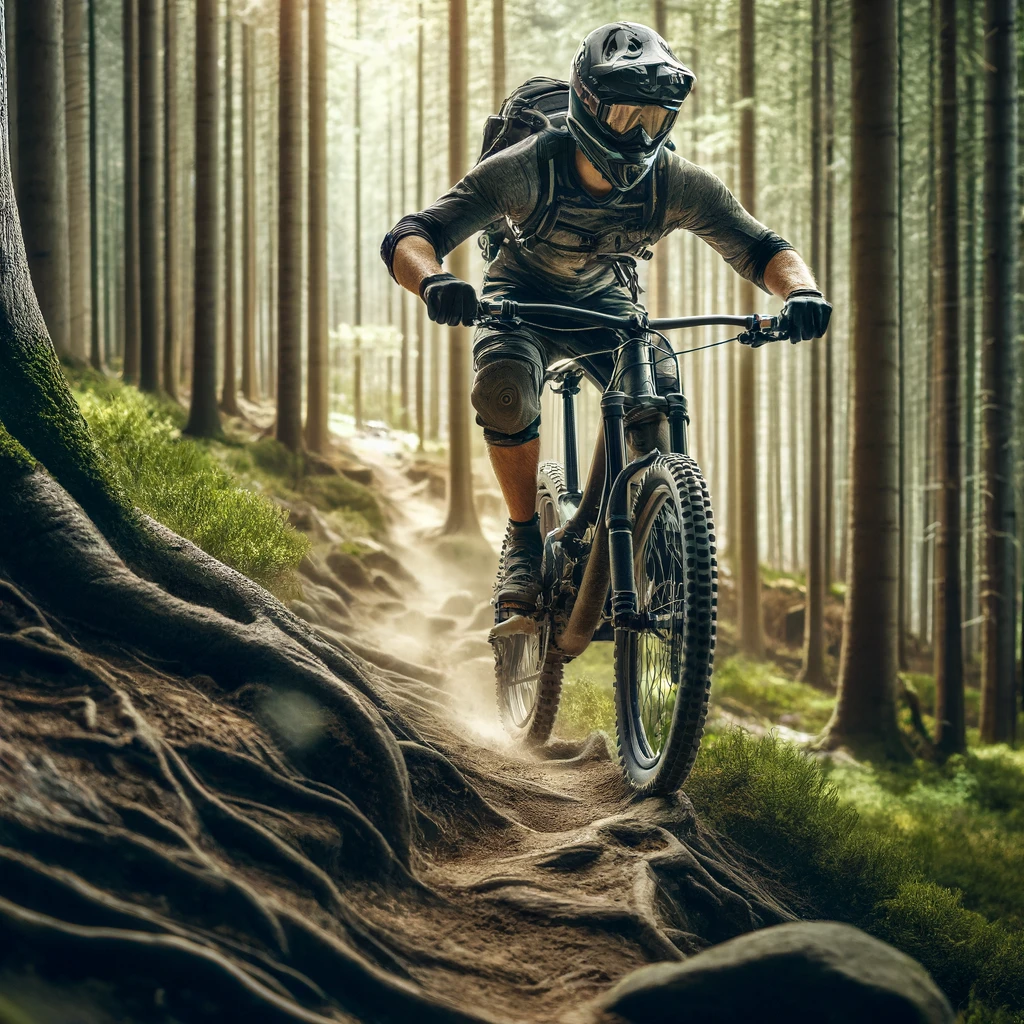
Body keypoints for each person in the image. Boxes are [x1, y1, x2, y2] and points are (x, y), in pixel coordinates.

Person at [382, 21, 831, 610]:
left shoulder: (675, 181)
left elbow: (762, 247)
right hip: (521, 295)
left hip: (606, 302)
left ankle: (665, 537)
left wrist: (800, 292)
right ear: (587, 106)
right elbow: (412, 236)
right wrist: (436, 281)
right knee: (504, 392)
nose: (641, 136)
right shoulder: (526, 167)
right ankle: (523, 538)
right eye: (626, 117)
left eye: (655, 120)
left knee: (660, 390)